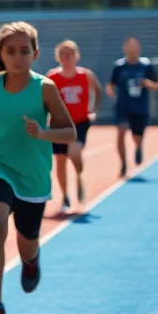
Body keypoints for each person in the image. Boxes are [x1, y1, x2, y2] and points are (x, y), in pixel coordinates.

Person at [0, 22, 76, 314]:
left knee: (27, 240)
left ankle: (31, 260)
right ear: (1, 54)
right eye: (11, 51)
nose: (17, 57)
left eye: (24, 51)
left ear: (35, 53)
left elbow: (69, 131)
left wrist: (43, 133)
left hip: (33, 174)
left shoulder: (44, 88)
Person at [46, 40, 102, 211]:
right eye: (63, 54)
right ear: (58, 57)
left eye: (70, 53)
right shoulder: (52, 77)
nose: (67, 57)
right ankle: (64, 196)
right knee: (60, 161)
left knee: (74, 152)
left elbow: (97, 91)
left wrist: (94, 109)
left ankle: (78, 176)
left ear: (77, 56)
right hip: (58, 124)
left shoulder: (86, 75)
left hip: (79, 122)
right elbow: (44, 98)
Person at [106, 37, 158, 176]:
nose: (132, 50)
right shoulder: (119, 66)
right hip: (123, 106)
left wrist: (149, 84)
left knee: (137, 135)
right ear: (124, 49)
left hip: (140, 107)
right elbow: (110, 84)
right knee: (121, 131)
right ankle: (123, 163)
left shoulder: (146, 65)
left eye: (134, 47)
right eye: (129, 48)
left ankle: (138, 146)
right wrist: (111, 91)